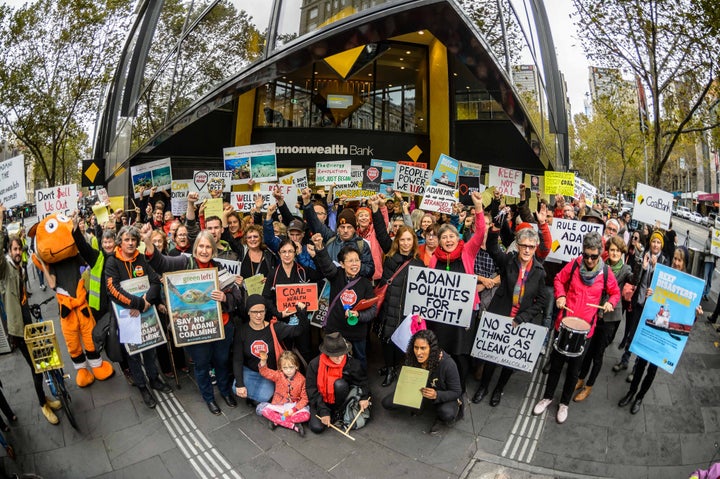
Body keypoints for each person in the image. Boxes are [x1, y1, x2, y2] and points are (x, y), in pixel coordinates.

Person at [144, 229, 245, 415]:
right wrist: (149, 244)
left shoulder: (220, 269)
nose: (204, 250)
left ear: (213, 250)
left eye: (208, 247)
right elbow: (162, 263)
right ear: (195, 247)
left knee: (222, 362)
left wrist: (224, 297)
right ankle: (209, 398)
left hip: (222, 328)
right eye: (201, 246)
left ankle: (224, 391)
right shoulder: (185, 262)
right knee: (201, 365)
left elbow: (237, 297)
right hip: (196, 330)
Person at [532, 232, 620, 424]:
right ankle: (547, 397)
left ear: (600, 254)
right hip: (564, 325)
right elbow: (558, 280)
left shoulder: (605, 273)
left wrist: (610, 303)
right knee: (555, 365)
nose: (588, 260)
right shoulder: (574, 264)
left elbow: (615, 293)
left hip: (585, 331)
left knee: (574, 370)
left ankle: (564, 403)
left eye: (593, 256)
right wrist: (561, 296)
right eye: (586, 255)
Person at [618, 246, 702, 414]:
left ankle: (640, 397)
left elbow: (686, 313)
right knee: (641, 363)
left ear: (685, 262)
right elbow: (653, 297)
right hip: (654, 329)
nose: (676, 262)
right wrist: (651, 292)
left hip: (665, 337)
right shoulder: (665, 274)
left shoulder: (690, 283)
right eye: (675, 259)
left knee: (652, 370)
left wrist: (696, 313)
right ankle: (631, 392)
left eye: (680, 260)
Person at [472, 226, 548, 406]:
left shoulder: (539, 272)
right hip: (500, 316)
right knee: (491, 355)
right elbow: (492, 248)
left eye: (531, 246)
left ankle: (499, 389)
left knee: (509, 360)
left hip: (519, 322)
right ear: (518, 246)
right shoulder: (508, 261)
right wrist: (495, 230)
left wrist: (522, 318)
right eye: (524, 245)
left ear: (535, 247)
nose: (527, 250)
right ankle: (484, 387)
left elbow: (542, 301)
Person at [0, 203, 61, 424]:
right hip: (19, 330)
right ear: (8, 251)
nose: (18, 252)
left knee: (46, 358)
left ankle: (48, 395)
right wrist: (1, 226)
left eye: (19, 249)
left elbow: (23, 296)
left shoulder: (21, 268)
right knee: (37, 367)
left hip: (29, 321)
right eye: (14, 249)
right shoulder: (6, 269)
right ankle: (42, 404)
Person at [106, 225, 172, 409]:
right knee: (133, 355)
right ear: (120, 241)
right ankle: (142, 386)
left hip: (145, 310)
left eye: (133, 240)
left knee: (149, 349)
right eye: (126, 239)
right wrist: (137, 304)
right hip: (127, 315)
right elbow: (113, 290)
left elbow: (154, 281)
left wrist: (146, 302)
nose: (130, 243)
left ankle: (153, 379)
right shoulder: (112, 262)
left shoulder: (141, 258)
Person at [426, 192, 486, 396]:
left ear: (457, 237)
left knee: (460, 353)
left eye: (452, 236)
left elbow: (479, 233)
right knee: (443, 350)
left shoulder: (467, 251)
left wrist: (478, 208)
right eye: (444, 237)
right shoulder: (435, 258)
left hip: (464, 313)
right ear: (439, 241)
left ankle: (458, 389)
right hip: (442, 314)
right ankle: (442, 385)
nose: (448, 240)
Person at [369, 193, 424, 387]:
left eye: (409, 240)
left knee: (396, 341)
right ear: (398, 241)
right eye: (403, 240)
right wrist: (376, 209)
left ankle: (392, 369)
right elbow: (381, 232)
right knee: (384, 339)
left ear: (413, 241)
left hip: (402, 311)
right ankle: (389, 366)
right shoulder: (390, 255)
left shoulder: (419, 263)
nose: (406, 243)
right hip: (386, 308)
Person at [574, 235, 633, 402]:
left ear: (622, 252)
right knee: (588, 350)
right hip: (595, 313)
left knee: (597, 354)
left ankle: (589, 385)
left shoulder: (625, 269)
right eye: (611, 250)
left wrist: (642, 267)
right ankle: (580, 378)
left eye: (617, 250)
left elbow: (633, 280)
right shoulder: (602, 265)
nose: (614, 253)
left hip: (610, 317)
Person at [308, 234, 376, 369]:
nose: (355, 264)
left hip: (357, 333)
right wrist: (320, 248)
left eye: (357, 260)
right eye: (350, 261)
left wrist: (359, 315)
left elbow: (373, 310)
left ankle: (360, 386)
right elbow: (327, 265)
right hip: (335, 330)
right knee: (332, 361)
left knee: (360, 360)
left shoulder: (366, 284)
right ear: (342, 264)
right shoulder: (336, 275)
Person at [382, 329, 462, 435]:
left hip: (441, 392)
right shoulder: (412, 358)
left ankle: (441, 419)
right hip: (420, 391)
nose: (418, 352)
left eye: (423, 348)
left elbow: (456, 391)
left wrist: (436, 395)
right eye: (416, 347)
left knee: (446, 413)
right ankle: (419, 404)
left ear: (432, 349)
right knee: (387, 402)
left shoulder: (448, 364)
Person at [233, 295, 308, 405]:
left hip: (270, 373)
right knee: (235, 387)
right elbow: (237, 359)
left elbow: (298, 331)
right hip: (251, 371)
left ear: (265, 311)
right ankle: (253, 395)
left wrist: (302, 313)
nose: (258, 315)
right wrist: (240, 384)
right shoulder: (242, 331)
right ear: (248, 312)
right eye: (254, 312)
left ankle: (255, 397)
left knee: (265, 395)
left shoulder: (274, 327)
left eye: (261, 311)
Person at [615, 230, 669, 371]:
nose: (655, 245)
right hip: (638, 302)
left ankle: (635, 368)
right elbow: (635, 279)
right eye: (653, 241)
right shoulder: (642, 256)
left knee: (643, 336)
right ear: (650, 243)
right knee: (632, 333)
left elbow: (664, 287)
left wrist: (655, 270)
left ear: (661, 245)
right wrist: (644, 268)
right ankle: (624, 360)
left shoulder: (664, 261)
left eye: (658, 242)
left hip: (652, 307)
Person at [301, 188, 375, 279]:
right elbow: (315, 223)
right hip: (333, 287)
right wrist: (307, 202)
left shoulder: (362, 244)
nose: (345, 230)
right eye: (342, 227)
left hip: (353, 288)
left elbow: (370, 270)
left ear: (355, 229)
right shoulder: (331, 238)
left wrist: (352, 266)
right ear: (338, 229)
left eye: (349, 227)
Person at [305, 332, 370, 434]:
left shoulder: (351, 362)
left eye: (342, 354)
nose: (340, 358)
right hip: (320, 400)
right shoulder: (314, 364)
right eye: (336, 356)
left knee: (340, 384)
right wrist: (323, 411)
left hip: (341, 398)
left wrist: (364, 397)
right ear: (327, 354)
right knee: (317, 428)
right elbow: (311, 389)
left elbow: (363, 381)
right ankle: (329, 413)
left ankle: (338, 412)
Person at [257, 350, 310, 436]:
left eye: (291, 367)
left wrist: (294, 410)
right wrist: (263, 361)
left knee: (306, 416)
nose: (288, 371)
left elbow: (305, 398)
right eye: (285, 368)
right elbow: (265, 372)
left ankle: (277, 420)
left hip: (294, 406)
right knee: (265, 410)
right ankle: (293, 425)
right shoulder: (278, 375)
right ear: (281, 368)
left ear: (296, 366)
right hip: (279, 405)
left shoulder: (302, 379)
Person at [703, 230, 715, 302]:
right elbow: (704, 250)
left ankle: (707, 294)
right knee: (705, 278)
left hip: (713, 261)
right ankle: (703, 293)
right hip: (707, 260)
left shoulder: (716, 242)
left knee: (710, 279)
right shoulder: (707, 240)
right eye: (710, 232)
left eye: (712, 232)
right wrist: (710, 251)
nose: (711, 233)